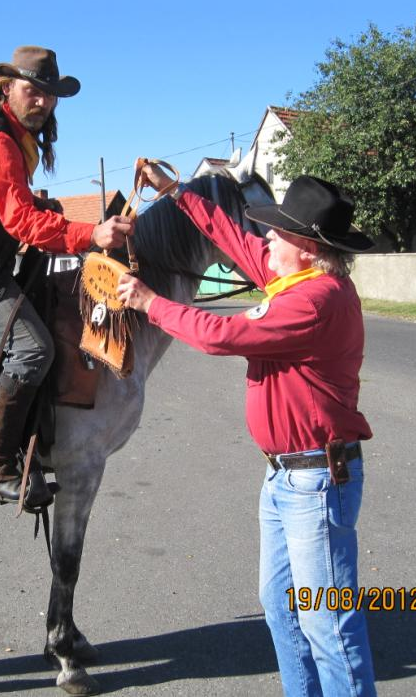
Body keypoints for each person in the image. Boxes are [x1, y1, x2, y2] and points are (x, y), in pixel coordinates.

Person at [117, 167, 377, 696]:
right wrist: (177, 194)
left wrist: (150, 302)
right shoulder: (296, 279)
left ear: (305, 247)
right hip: (286, 477)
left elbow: (223, 333)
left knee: (327, 624)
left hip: (315, 482)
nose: (267, 238)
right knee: (281, 608)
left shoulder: (315, 300)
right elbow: (233, 237)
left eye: (278, 233)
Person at [0, 46, 133, 505]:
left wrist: (48, 209)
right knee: (33, 348)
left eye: (51, 94)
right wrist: (92, 233)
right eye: (33, 91)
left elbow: (8, 207)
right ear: (6, 88)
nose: (43, 101)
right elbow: (18, 221)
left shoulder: (15, 139)